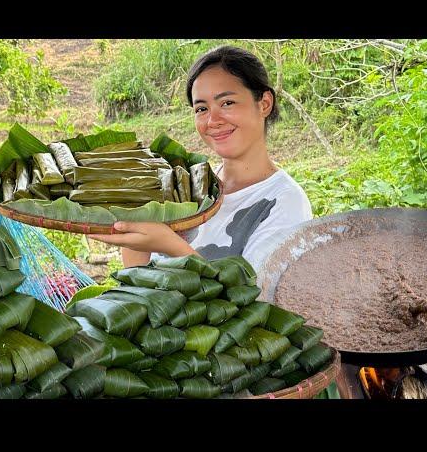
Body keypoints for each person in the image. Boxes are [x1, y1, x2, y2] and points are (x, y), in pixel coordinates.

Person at [88, 45, 312, 278]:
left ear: (264, 103)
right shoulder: (195, 189)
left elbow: (259, 304)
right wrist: (133, 228)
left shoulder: (285, 203)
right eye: (202, 108)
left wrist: (170, 245)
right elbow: (139, 278)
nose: (212, 120)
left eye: (227, 103)